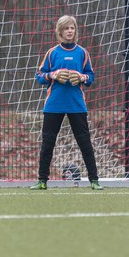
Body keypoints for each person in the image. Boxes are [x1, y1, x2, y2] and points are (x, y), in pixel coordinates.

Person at [30, 15, 103, 190]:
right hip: (53, 105)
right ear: (60, 31)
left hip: (76, 104)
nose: (70, 31)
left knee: (85, 142)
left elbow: (90, 77)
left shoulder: (82, 53)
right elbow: (40, 76)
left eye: (72, 28)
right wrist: (52, 75)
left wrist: (82, 77)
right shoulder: (52, 53)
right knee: (48, 143)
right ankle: (42, 181)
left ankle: (94, 180)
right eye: (66, 28)